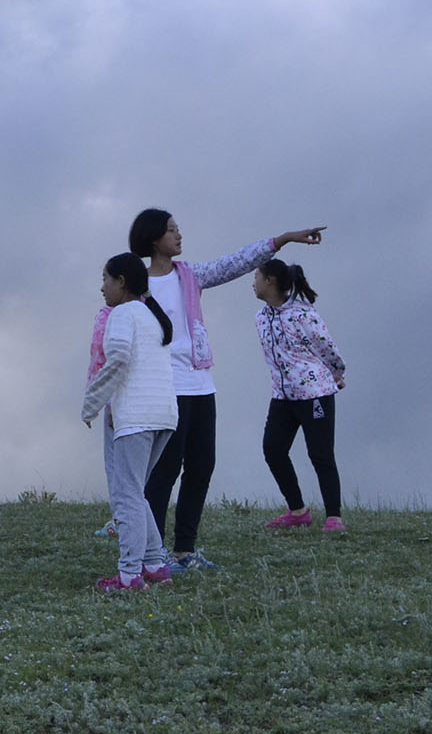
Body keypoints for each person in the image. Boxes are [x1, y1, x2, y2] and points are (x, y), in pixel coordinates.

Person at [129, 210, 326, 571]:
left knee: (202, 466)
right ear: (154, 238)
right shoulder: (137, 284)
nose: (179, 234)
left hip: (201, 384)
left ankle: (184, 552)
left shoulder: (189, 275)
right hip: (163, 386)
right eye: (171, 230)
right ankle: (151, 557)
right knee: (165, 469)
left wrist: (282, 238)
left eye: (178, 228)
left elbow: (236, 263)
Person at [82, 254, 180, 592]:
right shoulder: (152, 316)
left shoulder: (121, 314)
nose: (102, 287)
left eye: (106, 279)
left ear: (121, 281)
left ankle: (129, 576)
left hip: (136, 418)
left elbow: (119, 357)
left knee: (125, 495)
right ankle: (154, 565)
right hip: (164, 416)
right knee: (136, 493)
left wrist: (92, 403)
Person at [252, 260, 349, 532]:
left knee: (320, 453)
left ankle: (334, 517)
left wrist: (336, 373)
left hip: (315, 393)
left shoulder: (303, 314)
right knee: (273, 449)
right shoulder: (261, 317)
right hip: (283, 396)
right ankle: (297, 511)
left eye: (257, 277)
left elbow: (326, 346)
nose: (253, 283)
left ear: (270, 280)